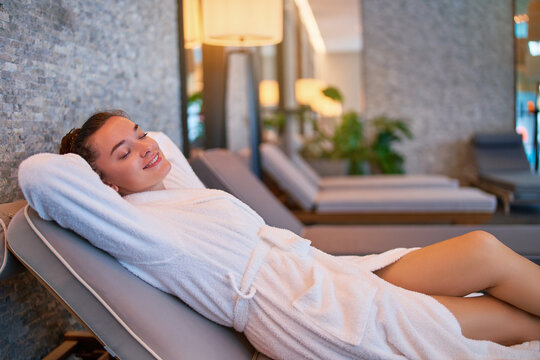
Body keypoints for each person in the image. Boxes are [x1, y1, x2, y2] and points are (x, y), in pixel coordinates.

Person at [19, 110, 540, 359]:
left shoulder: (166, 197)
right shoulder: (143, 232)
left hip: (324, 274)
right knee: (512, 324)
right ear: (101, 185)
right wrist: (95, 179)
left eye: (138, 133)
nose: (145, 146)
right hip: (310, 312)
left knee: (482, 248)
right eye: (123, 152)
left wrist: (127, 152)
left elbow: (166, 148)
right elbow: (42, 176)